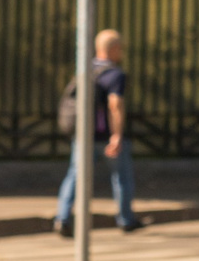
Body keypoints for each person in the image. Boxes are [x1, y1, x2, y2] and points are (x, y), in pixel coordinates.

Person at [55, 28, 143, 237]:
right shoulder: (115, 74)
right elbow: (115, 105)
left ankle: (62, 217)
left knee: (74, 177)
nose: (121, 53)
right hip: (106, 137)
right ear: (112, 49)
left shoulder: (84, 70)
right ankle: (125, 219)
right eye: (120, 48)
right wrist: (117, 135)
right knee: (121, 177)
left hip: (83, 136)